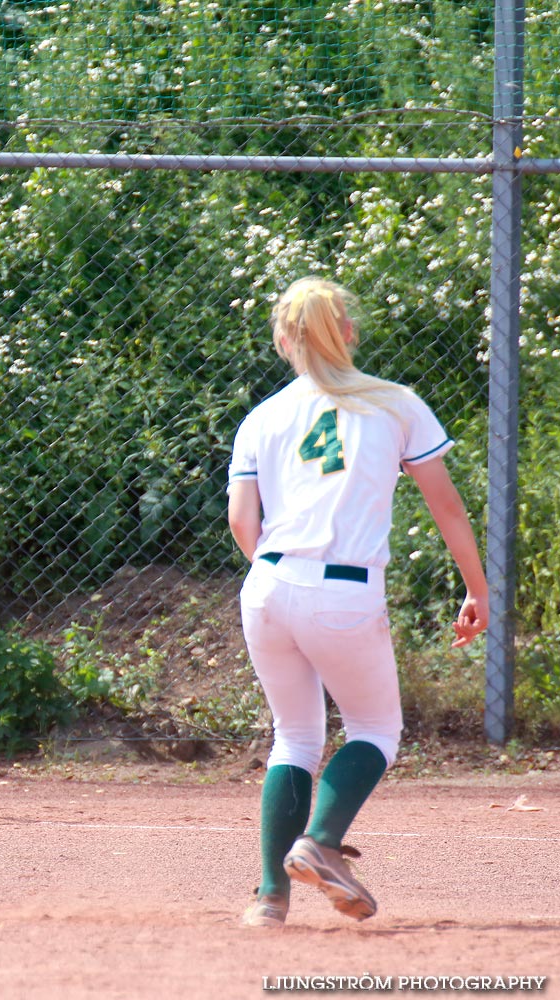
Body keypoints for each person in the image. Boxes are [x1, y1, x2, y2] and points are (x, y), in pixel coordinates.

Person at [227, 277, 488, 928]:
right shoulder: (394, 404)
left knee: (296, 735)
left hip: (267, 584)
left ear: (283, 339)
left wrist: (280, 581)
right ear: (348, 332)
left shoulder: (265, 415)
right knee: (375, 729)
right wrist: (477, 589)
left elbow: (240, 520)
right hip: (344, 587)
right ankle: (317, 844)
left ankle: (269, 901)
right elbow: (446, 506)